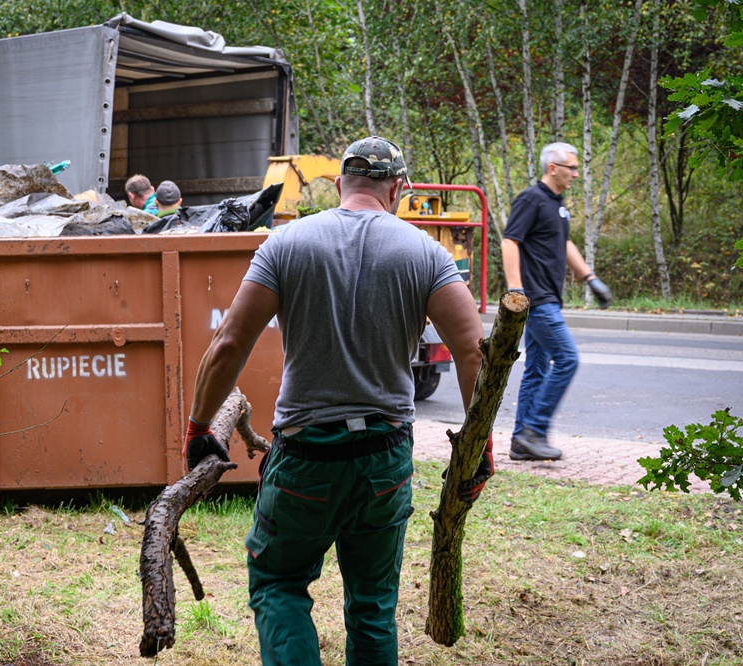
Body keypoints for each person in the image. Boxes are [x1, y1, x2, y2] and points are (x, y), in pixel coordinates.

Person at [182, 136, 492, 666]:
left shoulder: (286, 243)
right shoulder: (426, 252)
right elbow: (471, 350)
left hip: (306, 458)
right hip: (384, 459)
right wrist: (478, 446)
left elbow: (229, 342)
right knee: (372, 605)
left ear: (340, 183)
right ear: (396, 189)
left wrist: (199, 428)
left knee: (279, 583)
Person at [501, 142, 613, 462]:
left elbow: (563, 243)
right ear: (553, 168)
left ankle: (522, 442)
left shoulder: (557, 204)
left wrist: (590, 279)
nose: (576, 174)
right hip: (537, 299)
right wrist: (516, 289)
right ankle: (534, 430)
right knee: (567, 359)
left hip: (549, 297)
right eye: (572, 168)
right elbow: (511, 241)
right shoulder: (531, 199)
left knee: (537, 368)